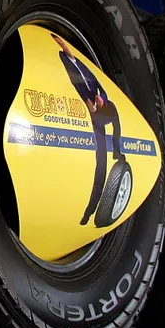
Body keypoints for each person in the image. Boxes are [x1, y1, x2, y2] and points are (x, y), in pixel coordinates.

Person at [52, 34, 126, 226]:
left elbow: (116, 127)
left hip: (108, 113)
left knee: (115, 135)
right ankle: (89, 211)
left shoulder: (101, 94)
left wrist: (117, 150)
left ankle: (118, 151)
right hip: (97, 121)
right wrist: (92, 107)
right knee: (101, 164)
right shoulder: (82, 88)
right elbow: (71, 62)